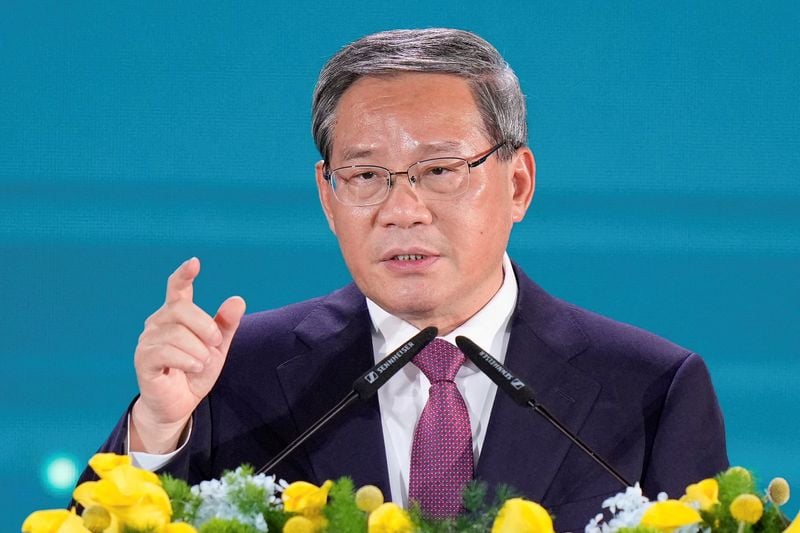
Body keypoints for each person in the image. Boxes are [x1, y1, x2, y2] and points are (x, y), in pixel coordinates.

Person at [79, 28, 728, 531]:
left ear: (518, 184)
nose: (402, 210)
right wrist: (157, 433)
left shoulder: (651, 390)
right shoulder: (229, 373)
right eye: (366, 176)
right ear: (329, 197)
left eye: (439, 170)